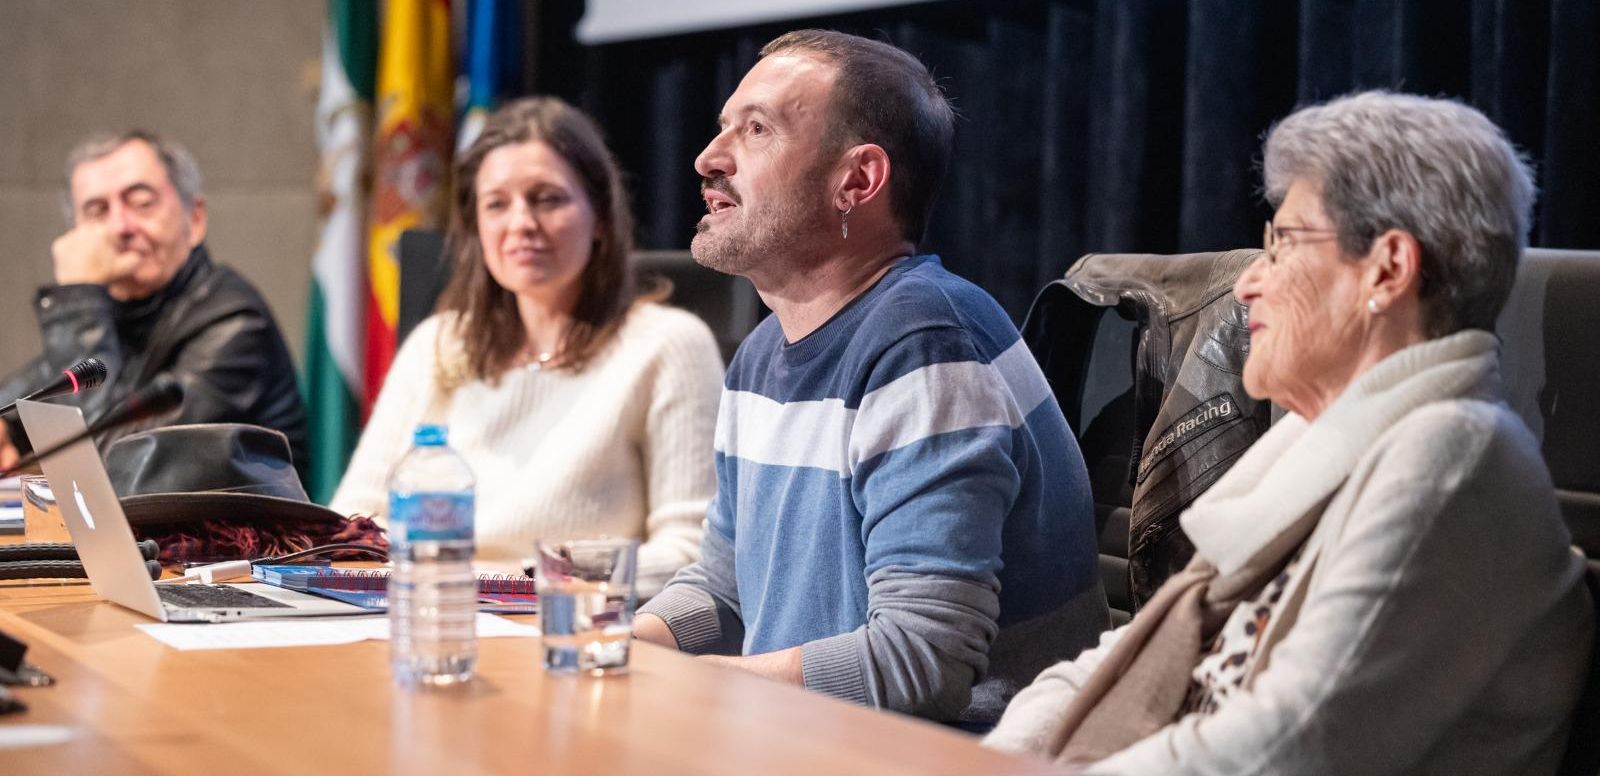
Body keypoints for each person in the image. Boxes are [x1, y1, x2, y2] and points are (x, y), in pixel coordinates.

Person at [983, 91, 1593, 776]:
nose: (1246, 285)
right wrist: (984, 772)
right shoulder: (1314, 442)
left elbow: (1292, 745)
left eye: (1283, 245)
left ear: (1387, 270)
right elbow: (1127, 659)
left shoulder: (1452, 456)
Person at [634, 30, 1106, 726]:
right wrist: (608, 644)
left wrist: (697, 688)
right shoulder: (763, 354)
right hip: (809, 747)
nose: (709, 158)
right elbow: (725, 586)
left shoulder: (925, 344)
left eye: (756, 130)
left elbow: (922, 661)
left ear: (857, 181)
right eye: (720, 128)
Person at [331, 97, 723, 595]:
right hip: (425, 618)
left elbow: (691, 554)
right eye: (497, 204)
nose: (521, 224)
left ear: (600, 216)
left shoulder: (668, 346)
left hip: (572, 630)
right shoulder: (436, 344)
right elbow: (351, 522)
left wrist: (517, 583)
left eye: (547, 199)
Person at [0, 131, 306, 473]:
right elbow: (44, 387)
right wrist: (9, 428)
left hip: (245, 528)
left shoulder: (235, 322)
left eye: (142, 203)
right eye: (97, 211)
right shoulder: (117, 315)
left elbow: (105, 471)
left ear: (196, 219)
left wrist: (77, 295)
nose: (120, 227)